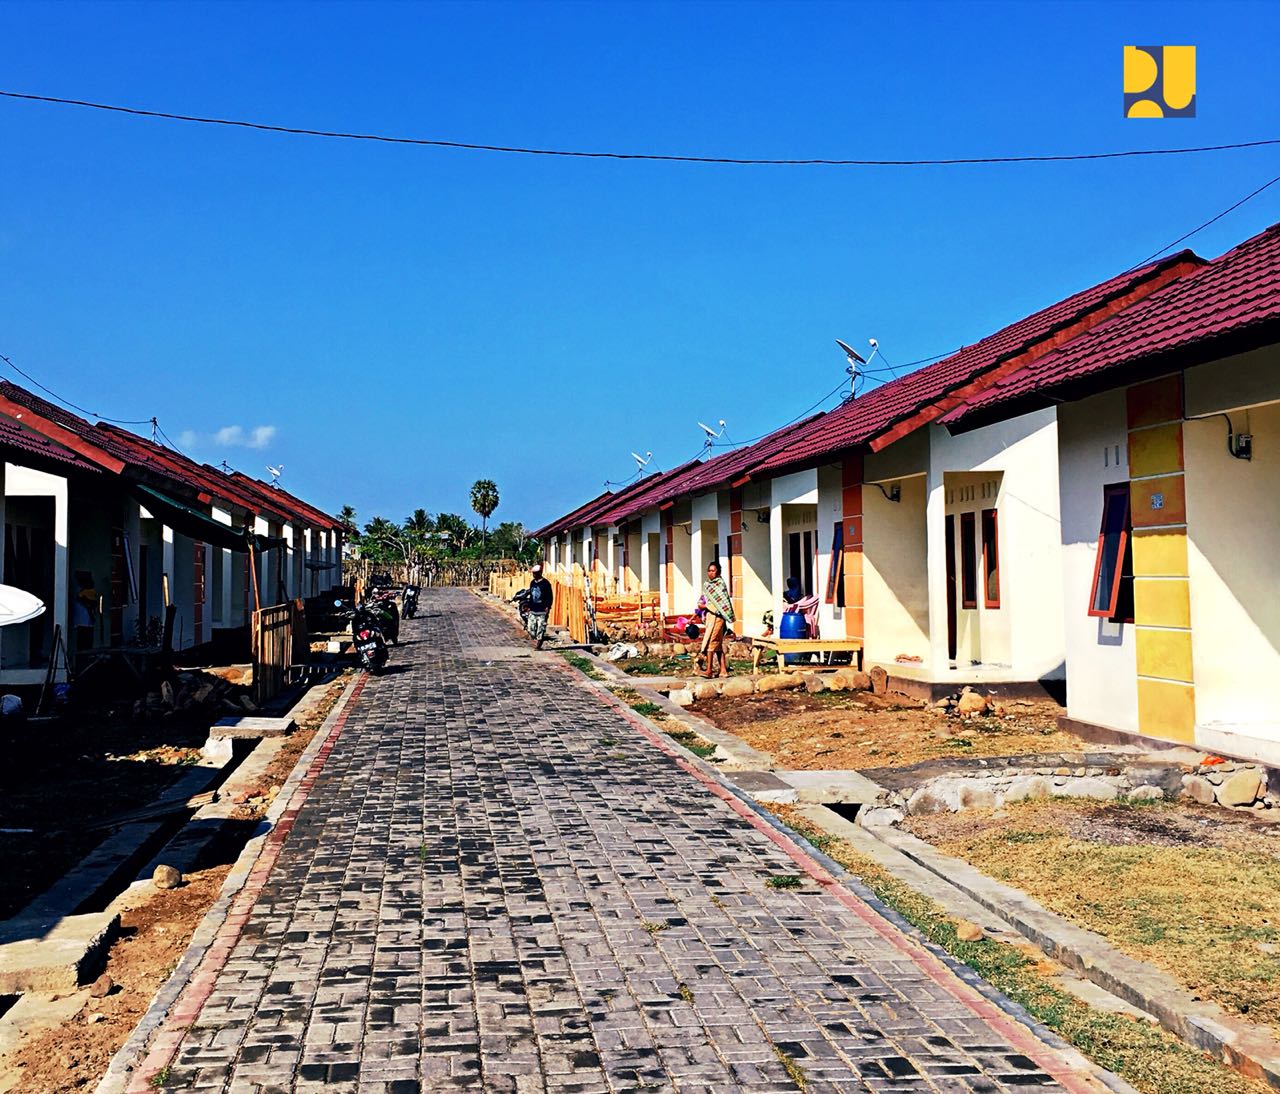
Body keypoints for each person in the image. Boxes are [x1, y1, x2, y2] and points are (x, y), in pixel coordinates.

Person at [698, 560, 735, 679]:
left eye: (713, 571)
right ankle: (723, 670)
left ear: (718, 572)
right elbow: (703, 601)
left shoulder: (720, 585)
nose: (710, 573)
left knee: (711, 642)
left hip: (719, 618)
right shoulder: (707, 586)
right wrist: (704, 606)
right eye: (709, 570)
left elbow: (722, 602)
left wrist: (708, 607)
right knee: (718, 645)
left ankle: (709, 670)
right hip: (710, 618)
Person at [523, 563, 554, 650]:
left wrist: (548, 606)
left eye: (536, 573)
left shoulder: (546, 584)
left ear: (540, 573)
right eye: (533, 573)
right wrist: (529, 606)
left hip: (542, 610)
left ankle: (539, 644)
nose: (534, 575)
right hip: (533, 609)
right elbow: (531, 596)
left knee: (541, 627)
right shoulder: (532, 583)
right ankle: (536, 638)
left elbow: (549, 596)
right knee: (530, 628)